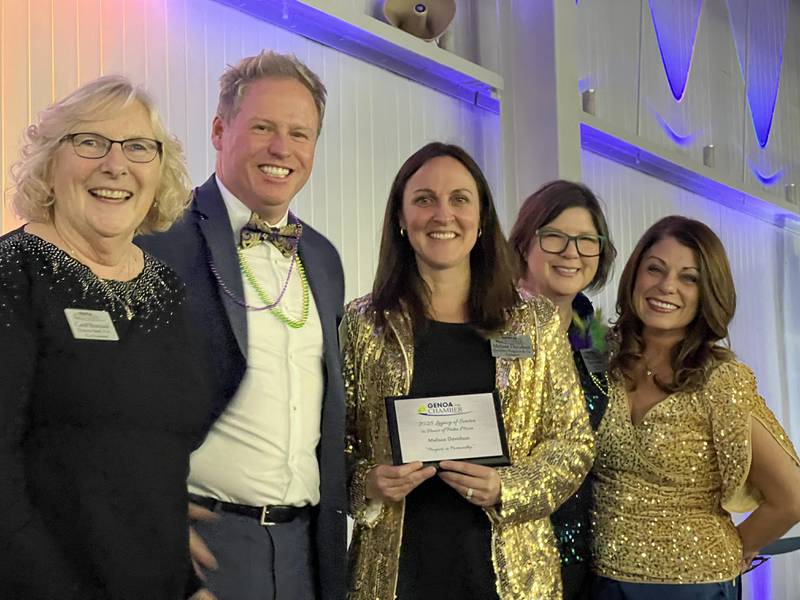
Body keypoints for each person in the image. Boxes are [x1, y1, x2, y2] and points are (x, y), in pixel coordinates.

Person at [342, 142, 595, 600]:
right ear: (401, 218)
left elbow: (575, 443)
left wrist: (509, 487)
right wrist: (369, 483)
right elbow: (336, 448)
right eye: (424, 199)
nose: (444, 215)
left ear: (481, 220)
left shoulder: (533, 322)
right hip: (399, 575)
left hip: (511, 576)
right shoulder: (364, 325)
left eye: (460, 199)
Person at [138, 50, 347, 600]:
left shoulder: (323, 258)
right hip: (203, 543)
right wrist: (151, 518)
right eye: (263, 128)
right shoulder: (158, 239)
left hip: (305, 549)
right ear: (218, 129)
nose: (283, 149)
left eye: (300, 134)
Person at [0, 75, 213, 599]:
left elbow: (155, 462)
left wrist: (188, 586)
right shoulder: (12, 275)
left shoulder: (166, 288)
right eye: (89, 141)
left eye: (139, 147)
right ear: (50, 163)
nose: (115, 164)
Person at [592, 215, 800, 599]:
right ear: (635, 275)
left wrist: (732, 548)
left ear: (708, 292)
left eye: (689, 278)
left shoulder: (720, 380)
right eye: (655, 269)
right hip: (602, 581)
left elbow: (792, 498)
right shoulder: (602, 363)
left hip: (693, 586)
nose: (666, 286)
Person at [509, 180, 617, 600]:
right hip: (511, 546)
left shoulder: (598, 338)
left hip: (593, 557)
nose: (572, 253)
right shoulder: (491, 326)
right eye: (554, 237)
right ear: (524, 244)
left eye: (587, 241)